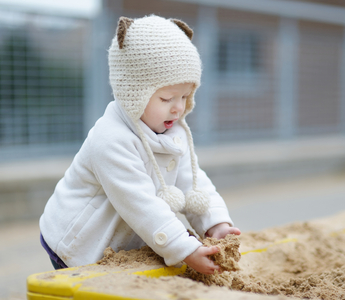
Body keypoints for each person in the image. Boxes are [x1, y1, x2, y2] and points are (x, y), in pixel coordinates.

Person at [39, 15, 240, 275]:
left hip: (122, 237)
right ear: (133, 92)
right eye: (167, 97)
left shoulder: (173, 130)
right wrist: (184, 248)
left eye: (185, 95)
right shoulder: (110, 139)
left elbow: (193, 181)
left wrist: (216, 223)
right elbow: (140, 203)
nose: (179, 107)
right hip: (79, 241)